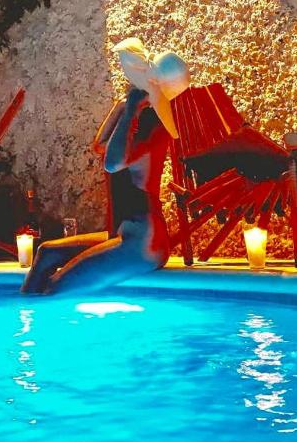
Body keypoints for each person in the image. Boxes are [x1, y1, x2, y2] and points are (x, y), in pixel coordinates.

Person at [21, 39, 190, 295]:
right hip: (122, 234)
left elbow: (113, 163)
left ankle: (37, 323)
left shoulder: (153, 126)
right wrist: (122, 106)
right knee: (45, 253)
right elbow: (101, 145)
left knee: (54, 290)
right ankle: (24, 321)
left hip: (142, 241)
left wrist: (132, 107)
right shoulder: (136, 117)